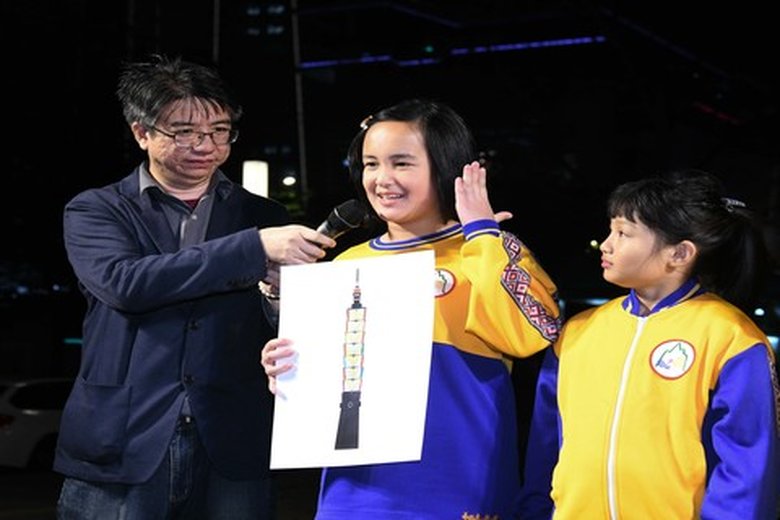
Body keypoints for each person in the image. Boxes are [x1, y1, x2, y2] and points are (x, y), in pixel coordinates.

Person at [54, 55, 335, 519]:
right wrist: (253, 248)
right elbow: (126, 284)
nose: (206, 145)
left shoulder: (263, 214)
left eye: (220, 131)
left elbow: (289, 330)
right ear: (141, 132)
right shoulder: (97, 210)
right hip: (123, 438)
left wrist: (278, 295)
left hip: (234, 437)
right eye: (184, 132)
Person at [261, 98, 562, 518]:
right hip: (355, 492)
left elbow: (531, 335)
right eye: (370, 164)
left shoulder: (489, 249)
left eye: (401, 163)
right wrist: (288, 369)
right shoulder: (347, 265)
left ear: (445, 167)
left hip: (461, 486)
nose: (382, 179)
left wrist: (481, 232)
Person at [519, 170, 780, 519]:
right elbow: (545, 445)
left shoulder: (731, 337)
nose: (607, 244)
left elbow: (746, 467)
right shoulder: (578, 332)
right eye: (610, 230)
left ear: (680, 253)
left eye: (624, 233)